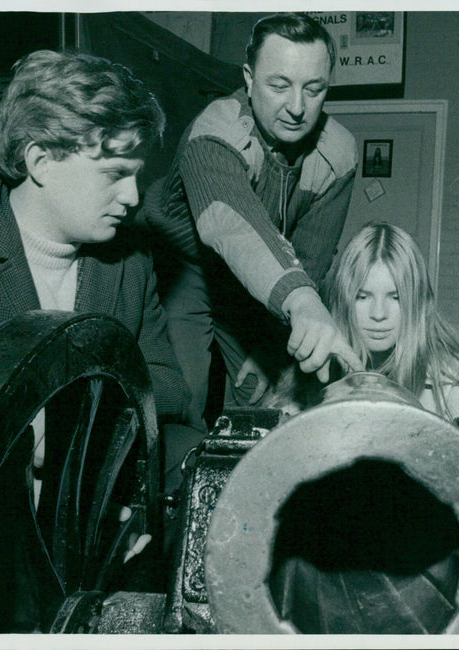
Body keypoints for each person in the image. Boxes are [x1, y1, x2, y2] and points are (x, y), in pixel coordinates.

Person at [0, 49, 190, 630]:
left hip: (90, 556)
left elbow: (172, 393)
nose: (133, 198)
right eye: (115, 173)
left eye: (138, 174)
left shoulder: (129, 264)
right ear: (41, 160)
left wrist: (131, 505)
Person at [141, 12, 362, 434]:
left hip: (264, 274)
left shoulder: (340, 152)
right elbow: (231, 225)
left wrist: (271, 345)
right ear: (248, 77)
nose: (297, 108)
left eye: (313, 89)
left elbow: (311, 259)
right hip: (183, 266)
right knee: (180, 394)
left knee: (263, 394)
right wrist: (300, 302)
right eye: (279, 85)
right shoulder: (217, 127)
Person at [266, 223, 459, 421]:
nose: (378, 314)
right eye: (362, 296)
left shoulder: (455, 385)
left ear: (417, 302)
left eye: (395, 297)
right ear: (344, 300)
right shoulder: (310, 372)